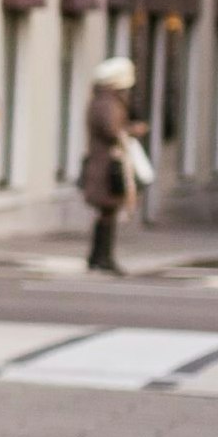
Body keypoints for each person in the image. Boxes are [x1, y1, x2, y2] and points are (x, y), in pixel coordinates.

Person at [81, 55, 146, 275]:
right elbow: (112, 130)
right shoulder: (107, 102)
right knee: (107, 211)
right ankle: (102, 258)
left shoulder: (102, 100)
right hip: (107, 165)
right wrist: (131, 130)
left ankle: (100, 257)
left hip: (105, 162)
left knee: (108, 212)